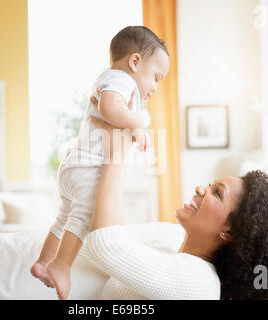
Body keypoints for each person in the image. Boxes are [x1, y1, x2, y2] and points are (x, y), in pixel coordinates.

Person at [83, 112, 268, 300]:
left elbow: (104, 243)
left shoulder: (199, 284)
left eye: (217, 193)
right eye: (211, 185)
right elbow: (110, 235)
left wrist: (119, 151)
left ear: (229, 232)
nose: (200, 189)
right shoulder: (173, 239)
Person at [30, 25, 170, 300]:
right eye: (156, 77)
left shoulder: (111, 79)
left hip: (76, 164)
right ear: (134, 61)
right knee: (84, 214)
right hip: (87, 167)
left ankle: (43, 262)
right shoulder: (121, 80)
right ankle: (61, 266)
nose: (155, 87)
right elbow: (109, 107)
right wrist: (136, 124)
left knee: (64, 217)